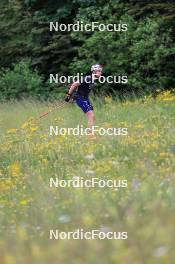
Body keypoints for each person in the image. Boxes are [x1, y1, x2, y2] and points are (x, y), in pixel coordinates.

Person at [65, 64, 103, 136]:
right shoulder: (88, 78)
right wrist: (69, 95)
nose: (101, 73)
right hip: (80, 98)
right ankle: (90, 135)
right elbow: (74, 84)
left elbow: (81, 87)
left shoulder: (93, 80)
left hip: (85, 98)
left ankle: (91, 131)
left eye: (101, 71)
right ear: (94, 72)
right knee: (91, 115)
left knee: (92, 116)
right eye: (99, 71)